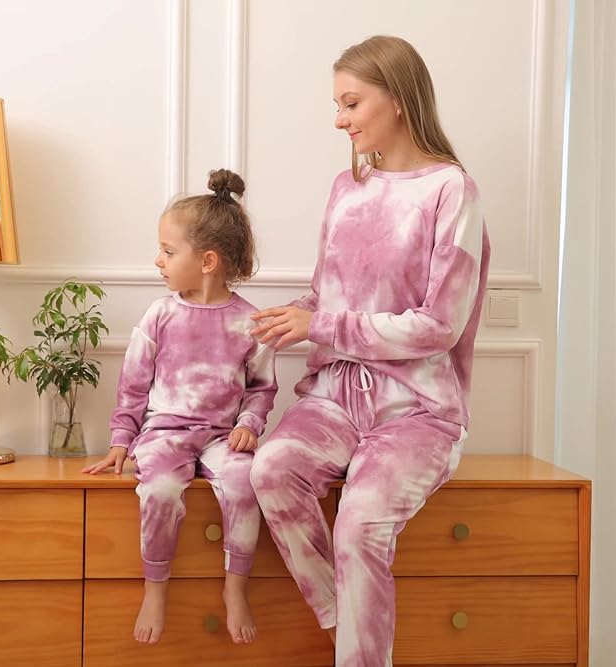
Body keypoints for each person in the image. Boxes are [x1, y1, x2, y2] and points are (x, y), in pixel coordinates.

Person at [248, 35, 491, 666]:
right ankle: (348, 623)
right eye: (337, 105)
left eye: (351, 103)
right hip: (333, 398)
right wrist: (285, 319)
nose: (339, 120)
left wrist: (323, 324)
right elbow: (327, 293)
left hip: (416, 409)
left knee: (359, 526)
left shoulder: (451, 191)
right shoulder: (346, 186)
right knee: (271, 471)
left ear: (399, 99)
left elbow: (439, 325)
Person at [85, 169, 277, 647]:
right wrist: (121, 441)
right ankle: (156, 588)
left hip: (221, 437)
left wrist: (251, 423)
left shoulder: (249, 323)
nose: (159, 260)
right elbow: (132, 386)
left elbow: (261, 388)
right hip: (164, 435)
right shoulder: (160, 314)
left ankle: (236, 587)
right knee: (160, 490)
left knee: (244, 483)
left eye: (168, 252)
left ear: (207, 261)